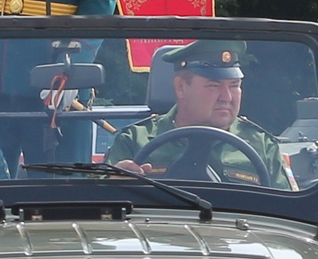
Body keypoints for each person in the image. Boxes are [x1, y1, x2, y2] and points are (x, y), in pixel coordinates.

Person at [103, 41, 294, 190]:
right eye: (214, 85)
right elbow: (102, 212)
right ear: (180, 87)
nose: (226, 97)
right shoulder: (134, 141)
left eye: (234, 85)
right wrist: (116, 185)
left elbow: (287, 214)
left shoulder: (262, 145)